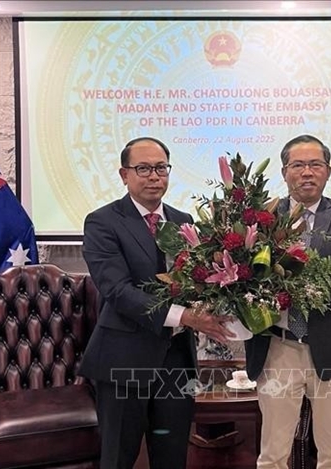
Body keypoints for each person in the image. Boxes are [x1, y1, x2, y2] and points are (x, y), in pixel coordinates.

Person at [79, 136, 233, 469]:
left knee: (172, 457)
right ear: (124, 174)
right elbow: (118, 291)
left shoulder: (183, 220)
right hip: (124, 361)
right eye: (144, 169)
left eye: (161, 168)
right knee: (118, 459)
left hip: (176, 360)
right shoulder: (102, 222)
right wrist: (185, 317)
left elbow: (196, 281)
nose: (154, 176)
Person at [245, 134, 331, 469]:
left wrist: (301, 291)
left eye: (315, 164)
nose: (307, 172)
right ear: (284, 172)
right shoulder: (262, 218)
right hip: (278, 347)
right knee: (272, 455)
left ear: (328, 171)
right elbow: (246, 276)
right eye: (298, 165)